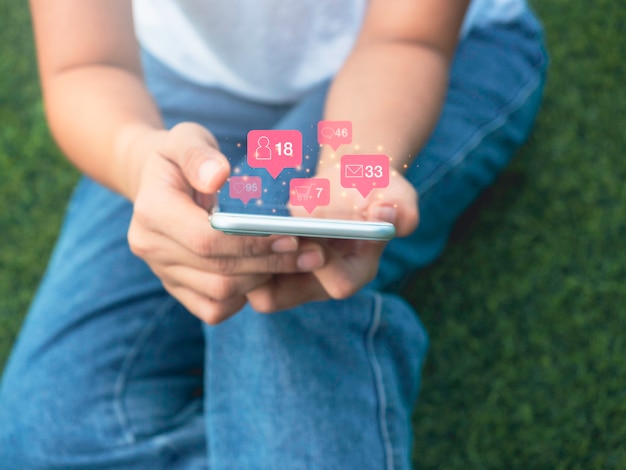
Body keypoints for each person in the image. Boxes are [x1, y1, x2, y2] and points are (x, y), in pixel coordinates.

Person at [0, 0, 547, 468]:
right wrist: (141, 160)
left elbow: (408, 38)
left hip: (431, 59)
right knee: (44, 437)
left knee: (274, 280)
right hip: (176, 88)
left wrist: (351, 167)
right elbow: (86, 65)